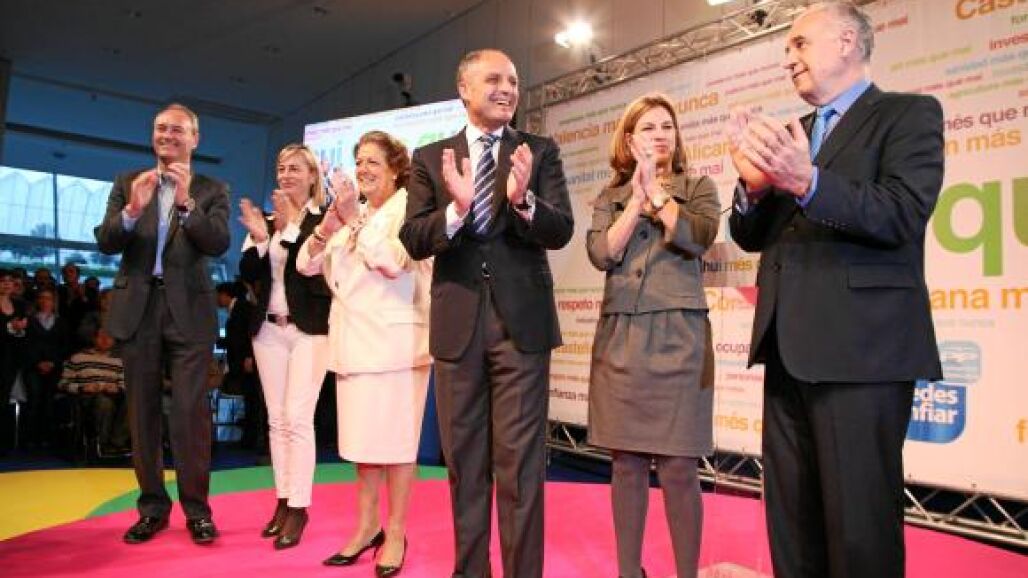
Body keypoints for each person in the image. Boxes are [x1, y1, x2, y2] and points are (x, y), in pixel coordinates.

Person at [726, 3, 944, 577]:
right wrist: (752, 190)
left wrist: (809, 181)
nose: (788, 59)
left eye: (799, 43)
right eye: (786, 49)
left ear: (847, 41)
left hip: (862, 355)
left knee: (858, 530)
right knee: (792, 527)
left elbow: (903, 211)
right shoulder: (792, 134)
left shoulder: (908, 115)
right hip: (786, 352)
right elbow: (751, 236)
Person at [399, 48, 575, 578]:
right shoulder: (430, 157)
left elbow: (561, 229)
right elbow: (413, 237)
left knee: (520, 468)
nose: (507, 89)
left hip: (521, 327)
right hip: (457, 328)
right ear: (464, 88)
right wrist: (457, 209)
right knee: (465, 464)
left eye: (514, 81)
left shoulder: (538, 151)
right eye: (494, 79)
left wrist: (523, 203)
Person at [586, 94, 720, 578]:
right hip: (620, 341)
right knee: (626, 464)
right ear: (629, 140)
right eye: (648, 127)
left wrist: (659, 197)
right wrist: (635, 200)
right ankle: (629, 571)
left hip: (679, 341)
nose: (661, 134)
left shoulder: (698, 187)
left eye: (667, 126)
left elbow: (698, 237)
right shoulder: (609, 198)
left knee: (679, 466)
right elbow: (602, 253)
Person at [95, 102, 230, 545]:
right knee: (142, 414)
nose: (167, 135)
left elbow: (217, 242)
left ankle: (198, 512)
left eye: (177, 129)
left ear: (195, 139)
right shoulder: (127, 182)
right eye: (160, 128)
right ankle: (152, 508)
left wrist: (187, 202)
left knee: (190, 416)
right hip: (137, 310)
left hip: (189, 312)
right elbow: (106, 241)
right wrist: (132, 211)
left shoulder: (211, 189)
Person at [298, 131, 432, 576]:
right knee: (363, 446)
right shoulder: (354, 212)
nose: (362, 169)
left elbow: (393, 261)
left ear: (395, 170)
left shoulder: (410, 208)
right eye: (359, 161)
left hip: (395, 346)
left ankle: (396, 532)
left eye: (373, 161)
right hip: (352, 345)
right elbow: (305, 265)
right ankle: (367, 525)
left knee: (397, 446)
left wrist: (355, 221)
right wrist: (328, 227)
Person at [238, 143, 332, 550]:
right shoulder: (267, 219)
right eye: (281, 168)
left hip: (310, 330)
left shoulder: (324, 221)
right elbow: (247, 272)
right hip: (268, 331)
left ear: (312, 176)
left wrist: (289, 228)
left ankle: (299, 506)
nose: (287, 174)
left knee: (297, 417)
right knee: (276, 420)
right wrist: (261, 238)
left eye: (295, 168)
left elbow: (310, 272)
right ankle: (282, 498)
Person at [59, 327, 130, 455]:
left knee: (133, 403)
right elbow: (63, 383)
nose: (105, 340)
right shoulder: (78, 358)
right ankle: (102, 444)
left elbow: (125, 383)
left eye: (109, 337)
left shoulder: (119, 360)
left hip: (113, 394)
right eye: (101, 337)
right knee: (104, 402)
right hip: (87, 396)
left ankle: (116, 443)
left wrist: (118, 388)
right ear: (94, 339)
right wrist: (82, 388)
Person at [215, 281, 264, 452]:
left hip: (246, 361)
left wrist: (250, 355)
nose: (216, 300)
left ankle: (253, 439)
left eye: (217, 296)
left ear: (224, 295)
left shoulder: (243, 308)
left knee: (253, 400)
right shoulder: (236, 309)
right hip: (240, 361)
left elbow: (249, 333)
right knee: (249, 400)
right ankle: (248, 439)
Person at [24, 287, 72, 447]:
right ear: (38, 301)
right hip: (33, 366)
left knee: (49, 400)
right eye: (42, 298)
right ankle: (30, 437)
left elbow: (65, 346)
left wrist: (53, 362)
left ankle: (47, 437)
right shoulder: (29, 321)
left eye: (49, 298)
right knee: (34, 399)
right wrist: (37, 362)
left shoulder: (62, 322)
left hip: (54, 367)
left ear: (54, 302)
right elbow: (25, 345)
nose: (45, 301)